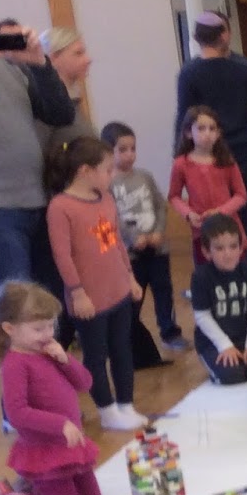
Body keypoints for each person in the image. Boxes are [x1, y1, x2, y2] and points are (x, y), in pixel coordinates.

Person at [174, 13, 247, 299]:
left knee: (219, 226)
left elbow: (183, 118)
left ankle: (229, 287)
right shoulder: (244, 68)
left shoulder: (189, 73)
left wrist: (182, 157)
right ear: (225, 35)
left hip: (209, 162)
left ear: (196, 38)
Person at [45, 136, 148, 431]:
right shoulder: (61, 207)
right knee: (96, 355)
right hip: (90, 298)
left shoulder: (106, 198)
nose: (111, 175)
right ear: (85, 171)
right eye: (107, 170)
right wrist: (77, 293)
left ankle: (125, 404)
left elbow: (116, 242)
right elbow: (62, 256)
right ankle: (107, 410)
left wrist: (129, 276)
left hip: (118, 290)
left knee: (122, 349)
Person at [0, 280, 101, 495]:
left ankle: (33, 486)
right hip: (45, 449)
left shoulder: (49, 351)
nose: (48, 334)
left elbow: (85, 383)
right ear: (9, 329)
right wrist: (60, 424)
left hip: (70, 444)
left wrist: (65, 360)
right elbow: (17, 413)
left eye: (51, 326)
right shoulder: (15, 364)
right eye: (38, 329)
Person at [0, 14, 76, 299]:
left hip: (38, 203)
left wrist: (39, 63)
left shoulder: (12, 67)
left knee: (47, 300)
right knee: (16, 304)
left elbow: (61, 113)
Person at [102, 121, 182, 352]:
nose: (130, 154)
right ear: (108, 151)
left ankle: (169, 332)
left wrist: (158, 231)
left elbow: (160, 206)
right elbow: (110, 217)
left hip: (157, 248)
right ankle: (130, 338)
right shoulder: (107, 184)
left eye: (133, 149)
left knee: (163, 291)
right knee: (133, 297)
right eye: (123, 149)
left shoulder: (145, 176)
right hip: (131, 254)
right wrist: (132, 238)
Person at [190, 213, 247, 384]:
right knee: (232, 375)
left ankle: (243, 355)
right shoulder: (201, 277)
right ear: (206, 252)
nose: (228, 254)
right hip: (212, 342)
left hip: (243, 338)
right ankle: (211, 362)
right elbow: (202, 316)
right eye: (219, 248)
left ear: (241, 248)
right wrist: (225, 346)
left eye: (233, 247)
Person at [168, 106, 247, 268]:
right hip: (202, 231)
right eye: (201, 128)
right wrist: (189, 214)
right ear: (189, 132)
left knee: (234, 271)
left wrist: (220, 211)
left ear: (218, 133)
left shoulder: (227, 161)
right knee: (206, 273)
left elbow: (241, 195)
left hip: (229, 228)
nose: (207, 133)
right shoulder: (181, 164)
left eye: (212, 128)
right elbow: (174, 196)